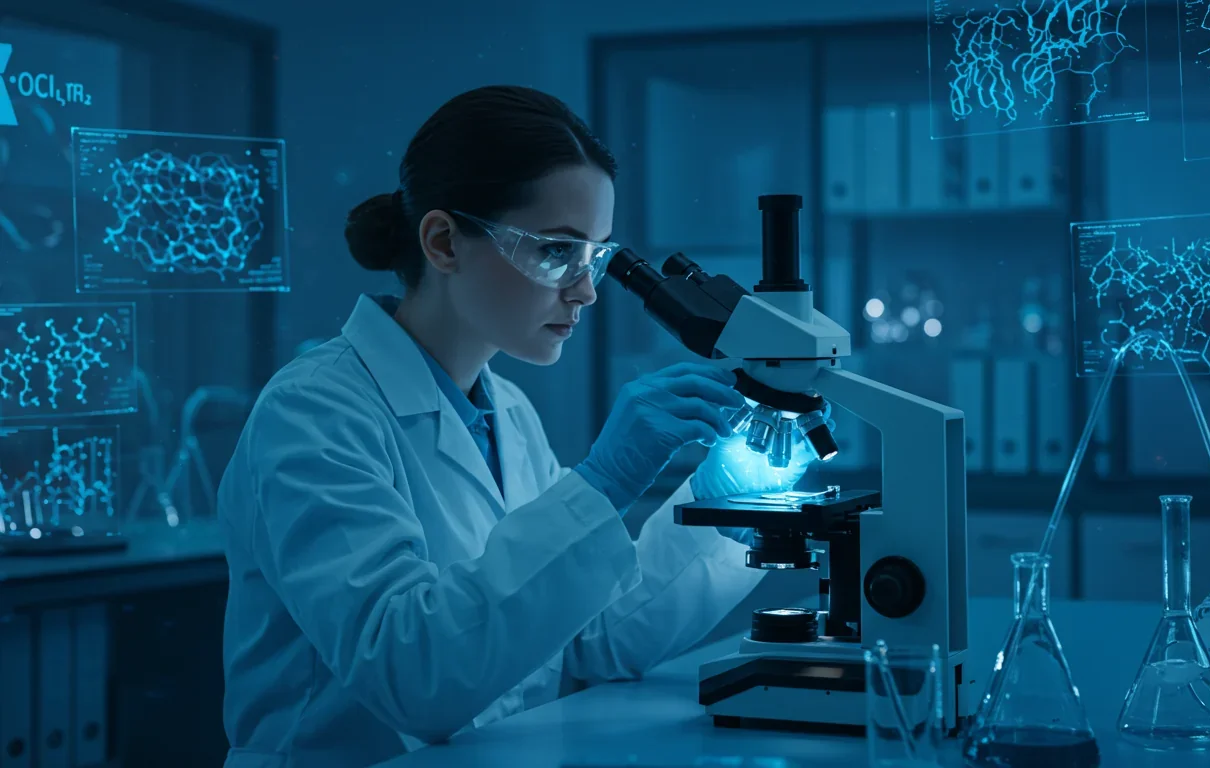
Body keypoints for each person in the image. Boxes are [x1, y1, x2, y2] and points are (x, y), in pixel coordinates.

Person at [217, 85, 823, 768]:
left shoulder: (506, 411)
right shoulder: (313, 413)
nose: (585, 290)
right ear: (443, 242)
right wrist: (606, 478)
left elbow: (593, 640)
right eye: (556, 252)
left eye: (593, 257)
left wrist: (727, 497)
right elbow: (409, 674)